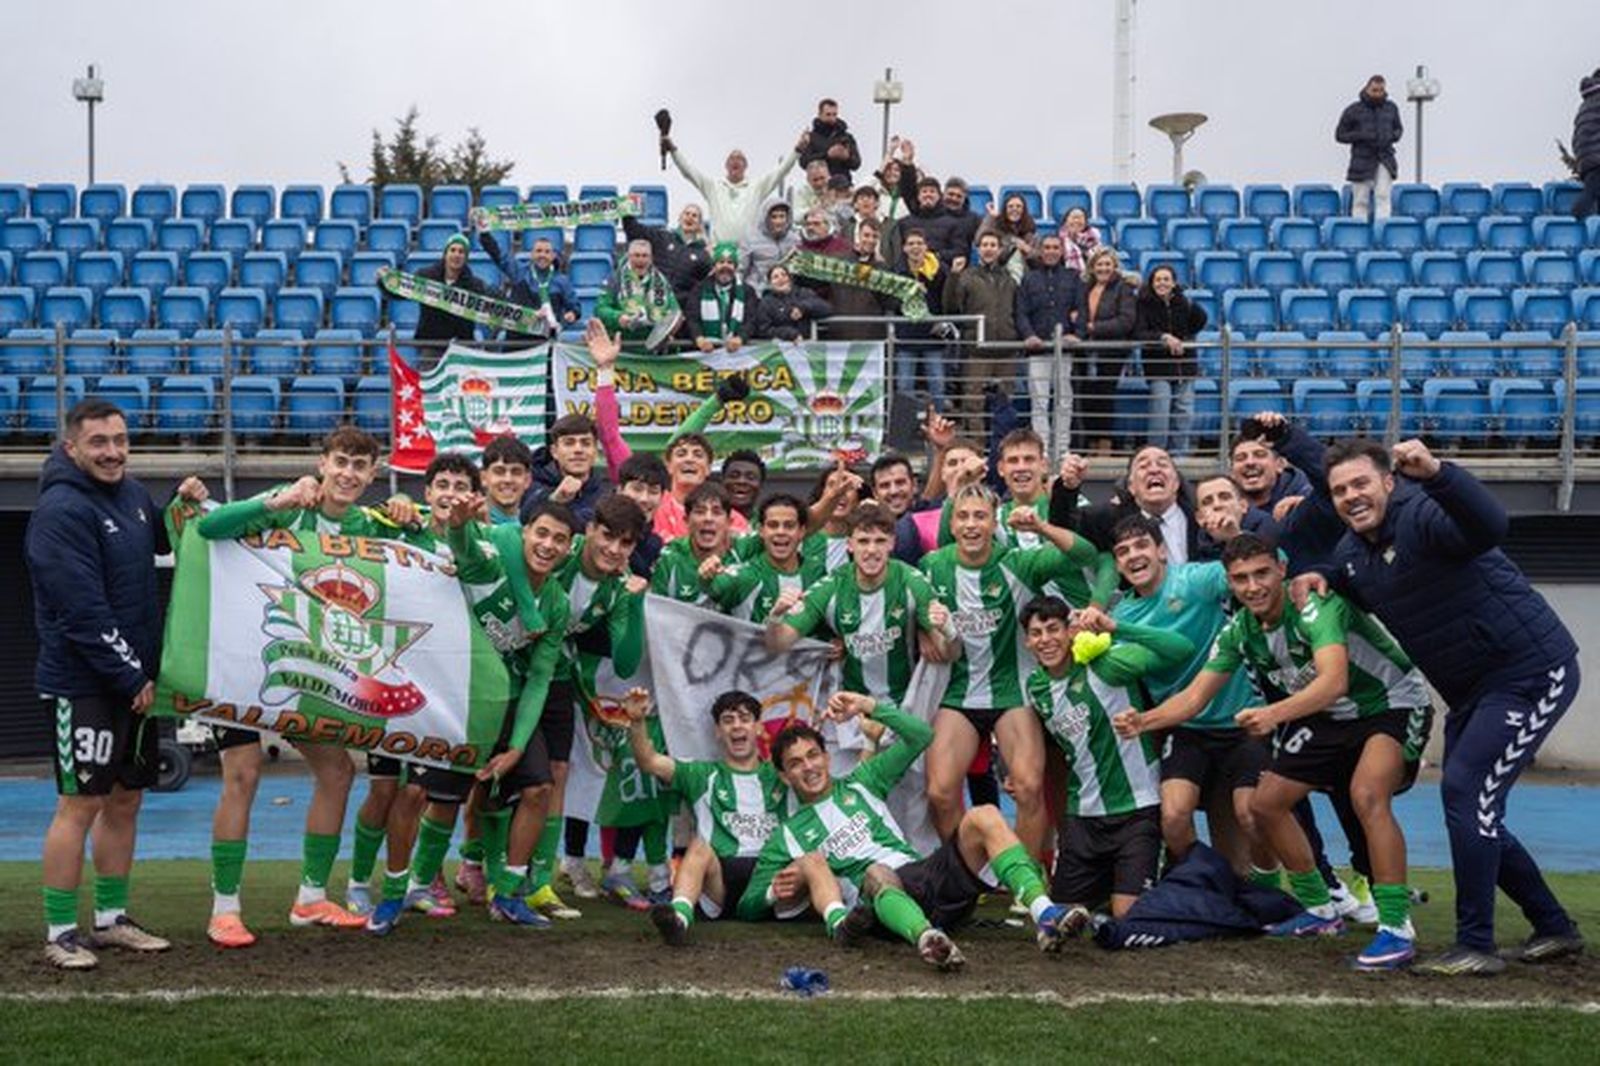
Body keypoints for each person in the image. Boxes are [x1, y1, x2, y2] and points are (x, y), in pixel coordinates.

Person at [1302, 438, 1584, 975]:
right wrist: (1324, 576)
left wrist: (1438, 473)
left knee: (1466, 793)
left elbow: (1489, 525)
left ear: (1389, 482)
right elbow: (1359, 583)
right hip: (1471, 692)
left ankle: (1476, 944)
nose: (1351, 496)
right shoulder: (1350, 556)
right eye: (1339, 490)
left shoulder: (1424, 513)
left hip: (1529, 671)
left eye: (1361, 483)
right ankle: (1553, 927)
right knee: (1471, 807)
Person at [1170, 533, 1431, 970]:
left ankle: (1396, 928)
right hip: (1330, 715)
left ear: (1281, 569)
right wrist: (1140, 722)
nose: (1253, 586)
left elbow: (1334, 682)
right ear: (1229, 583)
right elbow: (1193, 698)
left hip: (1390, 703)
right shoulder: (1240, 630)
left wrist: (1273, 714)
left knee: (1367, 796)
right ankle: (1321, 910)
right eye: (1241, 578)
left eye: (1261, 574)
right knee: (1265, 803)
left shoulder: (1314, 604)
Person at [192, 425, 391, 945]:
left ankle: (311, 898)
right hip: (241, 661)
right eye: (341, 461)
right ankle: (224, 909)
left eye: (360, 466)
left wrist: (410, 516)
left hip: (305, 668)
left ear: (373, 475)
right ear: (322, 463)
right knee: (244, 772)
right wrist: (277, 502)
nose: (348, 473)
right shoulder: (289, 503)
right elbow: (210, 528)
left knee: (338, 770)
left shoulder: (367, 526)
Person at [741, 693, 1078, 968]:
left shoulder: (863, 781)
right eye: (795, 763)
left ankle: (1045, 914)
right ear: (784, 776)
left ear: (826, 758)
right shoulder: (787, 835)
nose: (808, 767)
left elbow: (921, 735)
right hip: (883, 909)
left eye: (813, 755)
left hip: (925, 877)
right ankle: (928, 940)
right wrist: (773, 892)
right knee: (876, 872)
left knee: (985, 815)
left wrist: (868, 705)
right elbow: (746, 907)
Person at [28, 399, 176, 969]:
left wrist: (183, 502)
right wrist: (129, 673)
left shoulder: (133, 494)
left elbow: (163, 539)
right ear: (71, 448)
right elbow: (81, 610)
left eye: (120, 440)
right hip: (83, 684)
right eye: (98, 442)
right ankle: (61, 932)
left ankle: (111, 920)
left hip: (133, 683)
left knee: (126, 799)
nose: (112, 452)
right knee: (81, 802)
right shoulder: (60, 511)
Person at [918, 482, 1100, 859]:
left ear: (994, 522)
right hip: (957, 694)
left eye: (980, 516)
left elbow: (1085, 553)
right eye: (963, 517)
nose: (971, 525)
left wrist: (1041, 527)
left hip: (1013, 692)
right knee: (939, 792)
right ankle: (972, 873)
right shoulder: (932, 566)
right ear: (951, 524)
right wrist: (921, 630)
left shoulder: (1018, 563)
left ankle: (1023, 880)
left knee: (1029, 787)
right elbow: (909, 605)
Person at [437, 497, 584, 926]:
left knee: (539, 788)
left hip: (506, 700)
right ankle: (410, 887)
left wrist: (517, 748)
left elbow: (539, 678)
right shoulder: (493, 567)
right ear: (524, 534)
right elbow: (465, 549)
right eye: (541, 533)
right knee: (430, 795)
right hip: (453, 696)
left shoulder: (557, 604)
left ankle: (509, 891)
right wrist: (458, 526)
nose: (548, 545)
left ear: (569, 548)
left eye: (559, 539)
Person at [1099, 515, 1270, 872]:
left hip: (1243, 720)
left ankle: (1266, 891)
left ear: (1161, 550)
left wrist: (1235, 536)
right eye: (1123, 551)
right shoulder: (1122, 614)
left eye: (1141, 545)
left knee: (1251, 815)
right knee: (1174, 817)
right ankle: (1199, 879)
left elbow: (1269, 564)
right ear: (1116, 565)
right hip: (1185, 727)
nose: (1133, 556)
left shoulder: (1195, 580)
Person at [1021, 596, 1194, 919]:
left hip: (1137, 809)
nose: (1045, 640)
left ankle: (1164, 882)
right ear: (1027, 642)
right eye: (1036, 633)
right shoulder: (1036, 688)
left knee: (1127, 916)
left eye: (1053, 629)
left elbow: (1182, 649)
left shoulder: (1108, 664)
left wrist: (1117, 627)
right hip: (1083, 817)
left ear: (1070, 631)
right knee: (1064, 917)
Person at [623, 688, 804, 945]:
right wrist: (637, 721)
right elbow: (649, 761)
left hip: (773, 882)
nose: (737, 726)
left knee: (809, 857)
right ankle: (678, 919)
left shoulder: (784, 774)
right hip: (720, 884)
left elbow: (825, 781)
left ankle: (840, 913)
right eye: (728, 720)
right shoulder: (701, 775)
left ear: (758, 727)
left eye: (745, 719)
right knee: (699, 847)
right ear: (718, 731)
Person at [766, 503, 951, 704]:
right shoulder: (830, 587)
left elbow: (948, 652)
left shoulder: (912, 582)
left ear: (892, 543)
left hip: (904, 703)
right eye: (863, 541)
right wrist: (776, 616)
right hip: (850, 705)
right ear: (850, 545)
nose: (871, 550)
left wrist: (948, 630)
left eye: (880, 541)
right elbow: (777, 644)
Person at [664, 129, 807, 244]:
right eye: (732, 158)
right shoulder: (713, 187)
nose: (735, 161)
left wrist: (797, 151)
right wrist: (673, 150)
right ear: (726, 165)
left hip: (747, 250)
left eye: (740, 159)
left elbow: (780, 172)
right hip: (719, 251)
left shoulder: (756, 187)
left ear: (746, 166)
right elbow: (689, 171)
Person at [699, 493, 825, 622]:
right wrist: (705, 580)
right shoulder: (743, 578)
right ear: (761, 531)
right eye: (773, 525)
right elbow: (700, 611)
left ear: (801, 532)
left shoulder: (817, 572)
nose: (780, 532)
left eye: (789, 526)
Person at [1015, 233, 1083, 458]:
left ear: (1061, 251)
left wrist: (1077, 334)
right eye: (1047, 247)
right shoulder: (1029, 279)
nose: (1051, 251)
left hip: (1065, 350)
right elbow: (1021, 312)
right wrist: (1029, 335)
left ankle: (1062, 448)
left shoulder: (1073, 277)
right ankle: (1042, 449)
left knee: (1064, 400)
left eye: (1055, 247)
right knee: (1039, 400)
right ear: (1041, 251)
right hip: (1037, 349)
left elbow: (1081, 309)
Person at [943, 231, 1019, 423]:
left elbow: (1017, 309)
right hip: (977, 349)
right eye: (984, 245)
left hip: (1005, 348)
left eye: (993, 245)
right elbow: (951, 307)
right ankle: (975, 441)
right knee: (973, 402)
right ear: (978, 249)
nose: (988, 249)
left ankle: (1002, 441)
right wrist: (953, 276)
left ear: (999, 250)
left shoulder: (1009, 278)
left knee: (1005, 402)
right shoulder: (966, 276)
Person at [1133, 264, 1208, 456]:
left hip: (1185, 366)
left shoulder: (1184, 302)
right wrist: (1163, 337)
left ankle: (1179, 455)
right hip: (1158, 367)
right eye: (1158, 279)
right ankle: (1156, 454)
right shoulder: (1143, 304)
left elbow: (1200, 321)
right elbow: (1140, 333)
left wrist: (1187, 301)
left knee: (1184, 413)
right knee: (1160, 412)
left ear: (1174, 283)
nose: (1162, 283)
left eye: (1166, 279)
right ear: (1152, 283)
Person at [1073, 246, 1138, 454]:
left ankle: (1104, 445)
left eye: (1108, 264)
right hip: (1085, 350)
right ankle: (1090, 443)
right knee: (1087, 396)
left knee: (1104, 397)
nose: (1103, 268)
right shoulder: (1085, 288)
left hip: (1110, 351)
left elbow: (1126, 321)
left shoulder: (1123, 288)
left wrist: (1094, 327)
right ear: (1092, 267)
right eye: (1099, 264)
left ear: (1115, 266)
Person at [478, 231, 579, 341]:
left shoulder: (562, 281)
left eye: (547, 252)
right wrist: (484, 234)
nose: (542, 255)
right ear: (532, 254)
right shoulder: (519, 271)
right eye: (538, 251)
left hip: (547, 340)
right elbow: (498, 255)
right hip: (517, 339)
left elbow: (574, 306)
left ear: (553, 256)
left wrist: (572, 314)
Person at [893, 227, 953, 409]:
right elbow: (891, 302)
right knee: (904, 386)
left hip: (932, 336)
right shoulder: (896, 271)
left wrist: (955, 275)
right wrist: (909, 293)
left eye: (919, 243)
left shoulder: (939, 270)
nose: (915, 247)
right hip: (906, 336)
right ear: (904, 248)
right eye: (911, 243)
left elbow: (949, 299)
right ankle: (905, 423)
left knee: (937, 384)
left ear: (926, 247)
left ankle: (938, 422)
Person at [1336, 75, 1403, 222]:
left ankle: (1382, 229)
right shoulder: (1353, 110)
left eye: (1381, 90)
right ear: (1367, 89)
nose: (1378, 93)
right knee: (1360, 200)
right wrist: (1361, 135)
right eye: (1374, 90)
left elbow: (1398, 129)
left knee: (1383, 196)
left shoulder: (1391, 108)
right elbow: (1340, 135)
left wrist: (1391, 136)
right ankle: (1359, 230)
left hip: (1385, 158)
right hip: (1361, 160)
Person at [522, 413, 608, 527]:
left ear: (595, 452)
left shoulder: (608, 492)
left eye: (586, 443)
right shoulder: (532, 484)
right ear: (554, 452)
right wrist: (554, 500)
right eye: (569, 443)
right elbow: (524, 519)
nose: (578, 450)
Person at [623, 203, 712, 307]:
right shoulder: (663, 238)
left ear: (699, 224)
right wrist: (626, 211)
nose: (690, 217)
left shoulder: (703, 254)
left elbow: (707, 284)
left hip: (680, 309)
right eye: (687, 213)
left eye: (694, 215)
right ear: (680, 218)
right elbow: (635, 230)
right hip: (653, 303)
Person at [596, 240, 681, 349]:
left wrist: (671, 327)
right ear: (629, 256)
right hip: (624, 346)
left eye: (645, 256)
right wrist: (619, 317)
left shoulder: (662, 281)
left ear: (651, 258)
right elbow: (600, 309)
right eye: (636, 255)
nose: (640, 259)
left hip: (657, 346)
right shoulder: (615, 279)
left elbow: (674, 309)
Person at [413, 233, 491, 352]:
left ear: (466, 258)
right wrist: (386, 281)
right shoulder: (425, 277)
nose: (456, 255)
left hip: (462, 347)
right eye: (453, 250)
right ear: (445, 254)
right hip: (430, 345)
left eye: (461, 252)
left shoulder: (475, 285)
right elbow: (400, 291)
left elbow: (493, 306)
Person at [825, 218, 894, 340]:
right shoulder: (838, 261)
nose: (870, 240)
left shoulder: (882, 268)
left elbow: (889, 301)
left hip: (871, 336)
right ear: (858, 236)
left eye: (875, 237)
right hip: (840, 334)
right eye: (866, 235)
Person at [686, 242, 755, 352]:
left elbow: (751, 320)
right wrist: (699, 338)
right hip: (706, 351)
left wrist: (741, 338)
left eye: (730, 262)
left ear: (735, 267)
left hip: (736, 352)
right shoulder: (699, 289)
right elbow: (692, 318)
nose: (725, 266)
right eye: (721, 262)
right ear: (714, 266)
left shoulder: (747, 291)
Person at [753, 264, 831, 341]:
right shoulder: (766, 302)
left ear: (790, 279)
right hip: (781, 345)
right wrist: (790, 334)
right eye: (775, 277)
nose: (781, 279)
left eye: (784, 275)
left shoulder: (803, 293)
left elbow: (827, 309)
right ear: (770, 283)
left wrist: (803, 308)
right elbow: (764, 330)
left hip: (808, 342)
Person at [975, 193, 1039, 282]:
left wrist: (1027, 250)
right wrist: (991, 217)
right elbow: (978, 240)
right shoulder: (996, 224)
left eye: (1018, 206)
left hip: (1024, 271)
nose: (1014, 209)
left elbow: (1039, 258)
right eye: (1010, 206)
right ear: (1005, 209)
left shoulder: (1030, 229)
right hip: (997, 268)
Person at [740, 201, 799, 294]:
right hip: (758, 290)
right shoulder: (751, 239)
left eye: (782, 216)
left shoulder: (794, 239)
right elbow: (741, 268)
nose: (778, 221)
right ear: (765, 218)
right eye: (774, 217)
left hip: (786, 290)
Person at [798, 97, 862, 181]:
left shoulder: (846, 137)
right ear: (820, 114)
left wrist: (846, 157)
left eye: (834, 114)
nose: (832, 118)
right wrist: (827, 155)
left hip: (843, 184)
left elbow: (856, 164)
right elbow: (803, 162)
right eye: (828, 114)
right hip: (819, 184)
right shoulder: (811, 137)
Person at [480, 435, 537, 525]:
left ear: (527, 480)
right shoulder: (468, 523)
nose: (508, 480)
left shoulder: (534, 526)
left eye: (516, 472)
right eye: (499, 472)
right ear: (483, 478)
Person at [1572, 68, 1600, 220]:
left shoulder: (1586, 104)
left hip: (1586, 158)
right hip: (1597, 157)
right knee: (1591, 193)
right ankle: (1575, 221)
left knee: (1594, 191)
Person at [720, 450, 766, 522]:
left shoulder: (767, 522)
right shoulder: (707, 520)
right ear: (722, 481)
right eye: (734, 476)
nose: (741, 481)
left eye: (750, 477)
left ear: (761, 485)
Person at [1056, 207, 1103, 276]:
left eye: (1080, 218)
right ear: (1065, 222)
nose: (1076, 221)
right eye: (1073, 217)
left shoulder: (1094, 240)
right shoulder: (1058, 241)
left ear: (1086, 223)